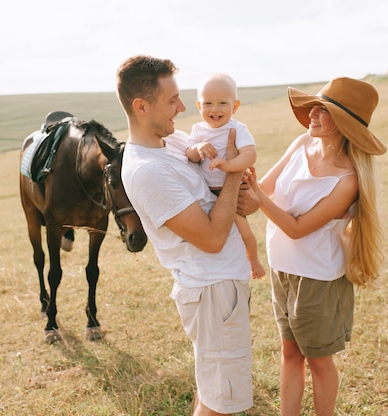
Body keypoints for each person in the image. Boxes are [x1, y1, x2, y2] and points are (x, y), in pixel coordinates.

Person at [237, 77, 386, 415]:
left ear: (344, 123)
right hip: (282, 270)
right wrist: (239, 178)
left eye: (324, 110)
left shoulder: (347, 180)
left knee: (319, 362)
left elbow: (297, 227)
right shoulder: (301, 142)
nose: (313, 114)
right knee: (289, 353)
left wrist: (258, 197)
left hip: (318, 278)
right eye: (315, 106)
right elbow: (265, 187)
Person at [117, 55, 253, 416]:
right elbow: (211, 238)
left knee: (212, 391)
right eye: (172, 100)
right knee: (221, 403)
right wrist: (234, 173)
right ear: (141, 106)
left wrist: (242, 191)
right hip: (212, 290)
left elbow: (226, 203)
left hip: (219, 288)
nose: (181, 108)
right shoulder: (148, 171)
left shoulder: (174, 143)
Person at [185, 73, 265, 279]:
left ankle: (254, 261)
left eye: (222, 103)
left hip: (230, 192)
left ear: (235, 106)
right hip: (206, 192)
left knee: (244, 231)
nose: (215, 109)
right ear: (198, 105)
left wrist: (230, 165)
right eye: (208, 103)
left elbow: (250, 154)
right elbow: (190, 155)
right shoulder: (198, 130)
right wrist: (199, 147)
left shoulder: (237, 129)